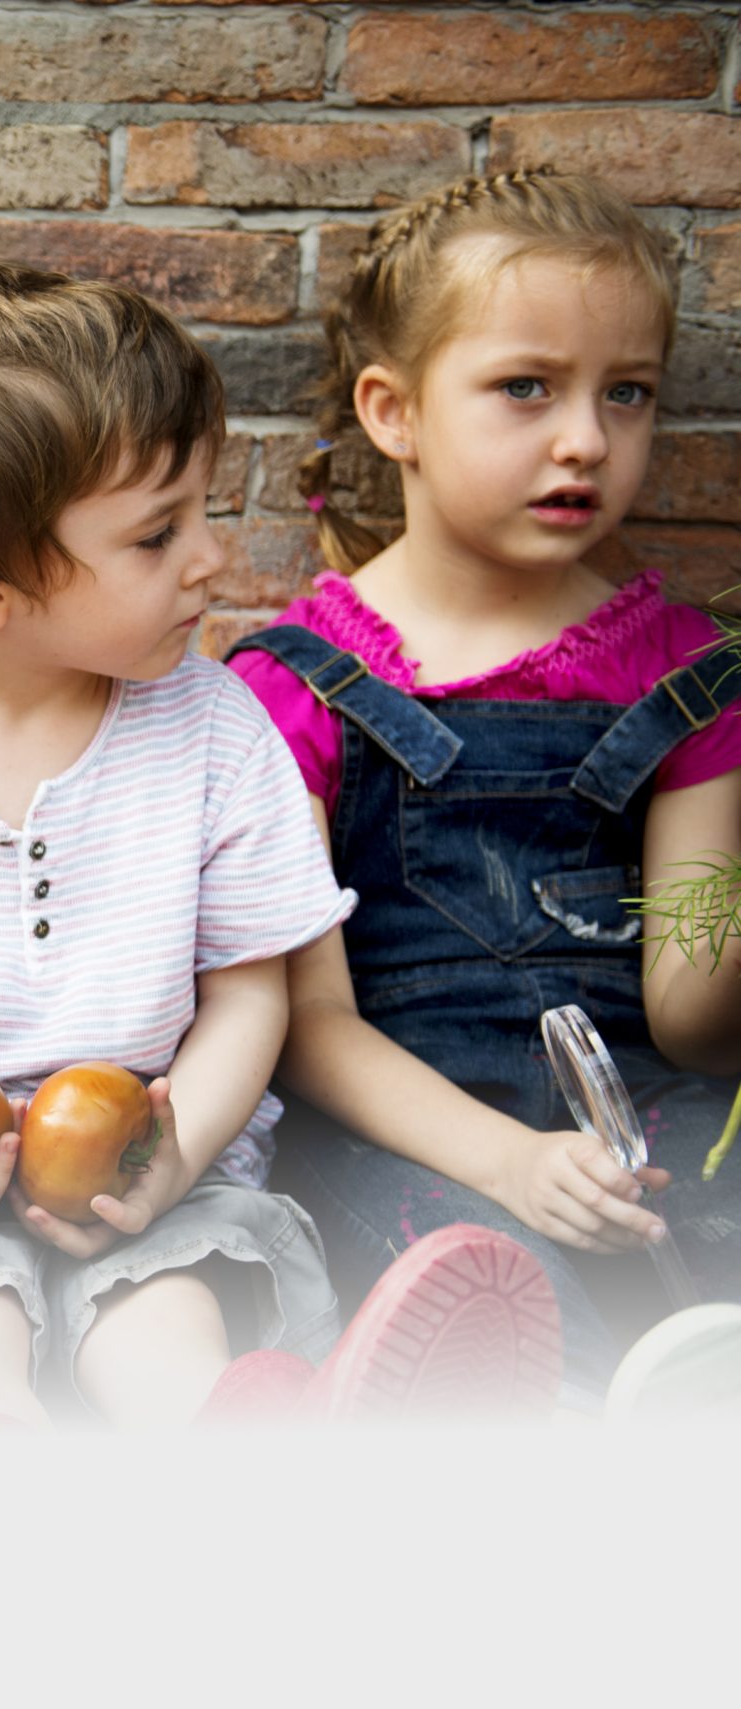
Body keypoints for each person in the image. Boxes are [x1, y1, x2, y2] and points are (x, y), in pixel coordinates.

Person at [0, 266, 560, 1433]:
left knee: (166, 1323)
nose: (207, 559)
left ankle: (256, 1446)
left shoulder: (216, 726)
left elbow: (247, 996)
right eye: (155, 534)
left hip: (151, 1169)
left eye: (201, 514)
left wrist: (176, 1155)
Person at [227, 169, 741, 1405]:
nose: (585, 439)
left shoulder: (690, 677)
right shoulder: (288, 685)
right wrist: (511, 1162)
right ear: (392, 410)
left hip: (649, 1114)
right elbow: (310, 1027)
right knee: (486, 1293)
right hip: (412, 1136)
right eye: (526, 387)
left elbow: (691, 1008)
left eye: (627, 394)